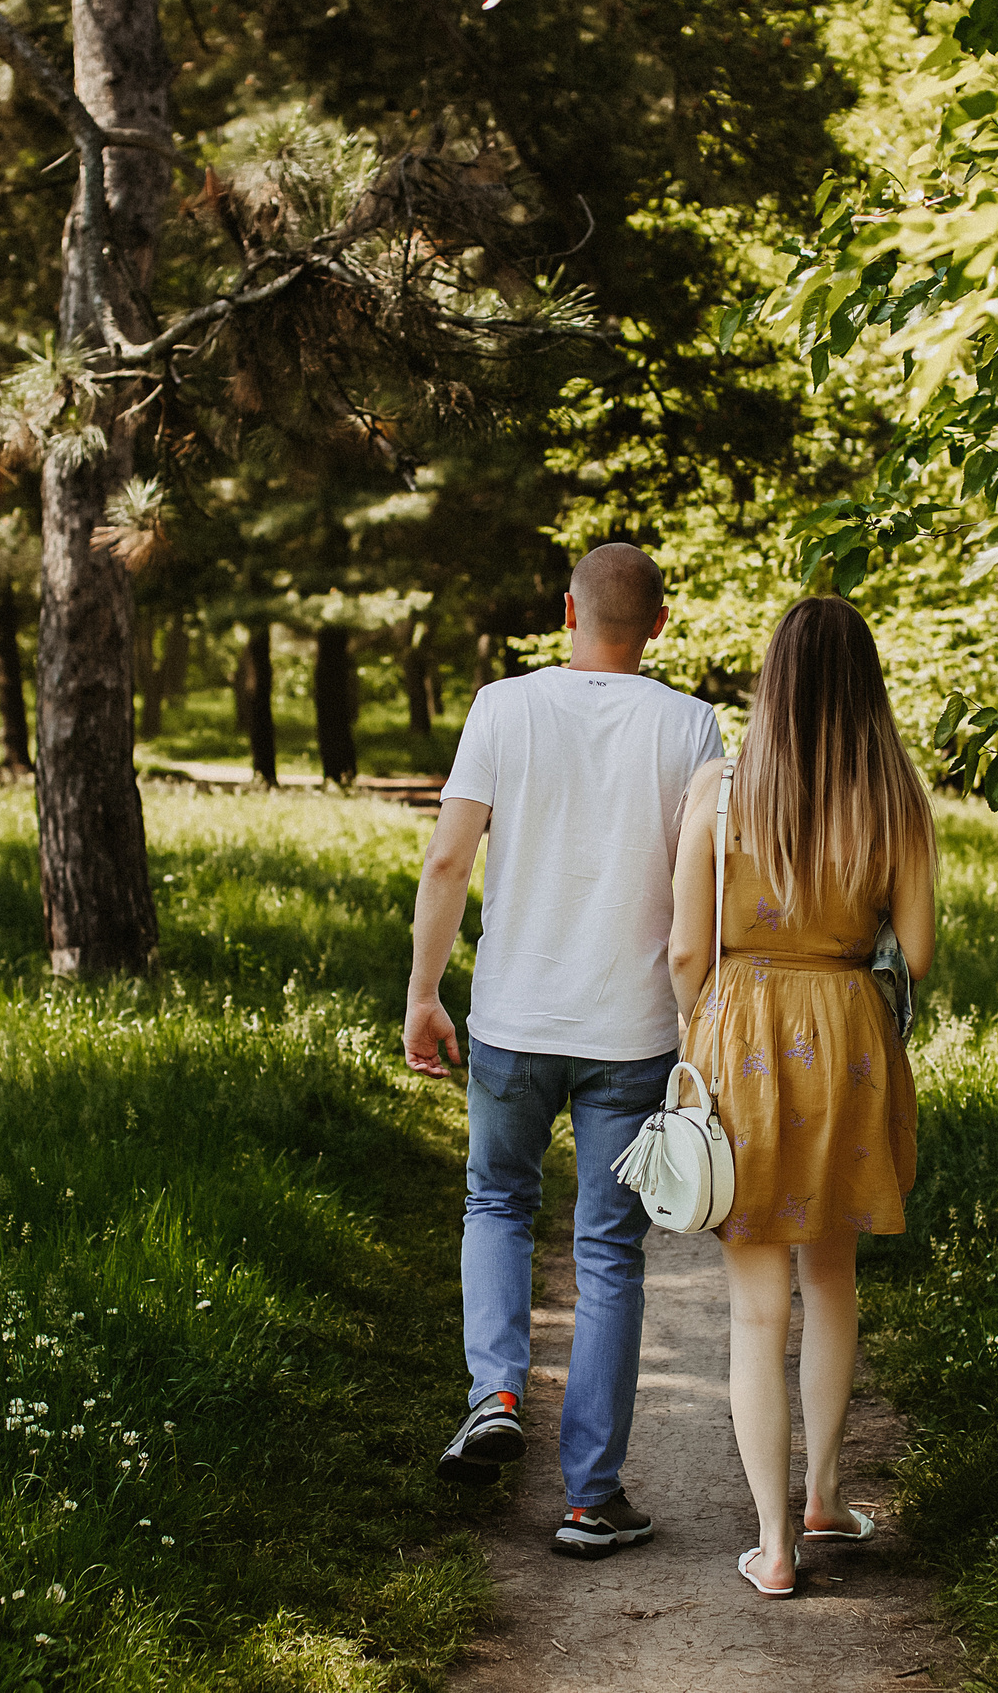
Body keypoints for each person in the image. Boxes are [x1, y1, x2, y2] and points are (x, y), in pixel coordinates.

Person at [404, 542, 725, 1559]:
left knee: (496, 1202)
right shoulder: (691, 724)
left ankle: (495, 1392)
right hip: (630, 1031)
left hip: (511, 1016)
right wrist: (699, 1024)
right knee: (608, 1251)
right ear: (660, 626)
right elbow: (702, 895)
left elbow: (450, 855)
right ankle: (591, 1499)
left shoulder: (502, 706)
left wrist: (423, 991)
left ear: (565, 612)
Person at [665, 595, 937, 1600]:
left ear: (771, 679)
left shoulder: (719, 791)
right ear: (865, 685)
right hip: (847, 1034)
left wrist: (695, 1035)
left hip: (739, 1032)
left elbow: (688, 947)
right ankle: (824, 1496)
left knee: (752, 1314)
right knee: (831, 1282)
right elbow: (917, 951)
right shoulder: (895, 798)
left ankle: (774, 1547)